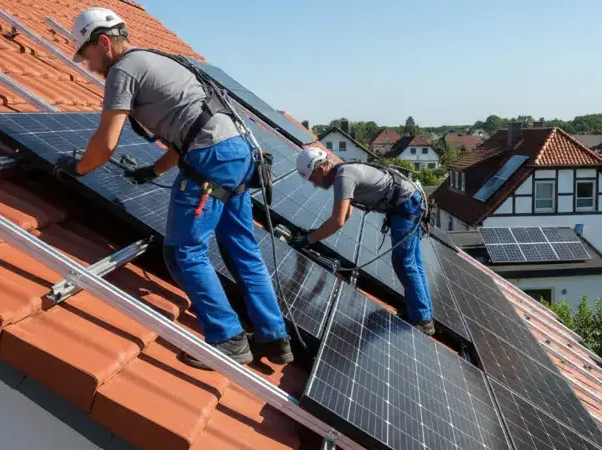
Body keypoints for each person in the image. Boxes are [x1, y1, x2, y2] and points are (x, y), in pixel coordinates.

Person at [52, 7, 293, 366]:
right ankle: (275, 339)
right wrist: (152, 171)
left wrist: (77, 168)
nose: (87, 65)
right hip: (239, 153)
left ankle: (229, 338)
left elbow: (106, 143)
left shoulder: (123, 70)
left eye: (86, 55)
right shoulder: (157, 61)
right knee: (242, 250)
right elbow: (190, 130)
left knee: (184, 251)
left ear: (103, 42)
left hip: (211, 158)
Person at [293, 148, 435, 335]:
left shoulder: (343, 177)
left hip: (406, 206)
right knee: (413, 263)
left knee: (405, 262)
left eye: (312, 179)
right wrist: (316, 233)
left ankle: (422, 319)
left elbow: (338, 221)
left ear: (320, 169)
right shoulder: (343, 173)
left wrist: (309, 239)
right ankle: (422, 313)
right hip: (409, 202)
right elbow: (346, 213)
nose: (315, 185)